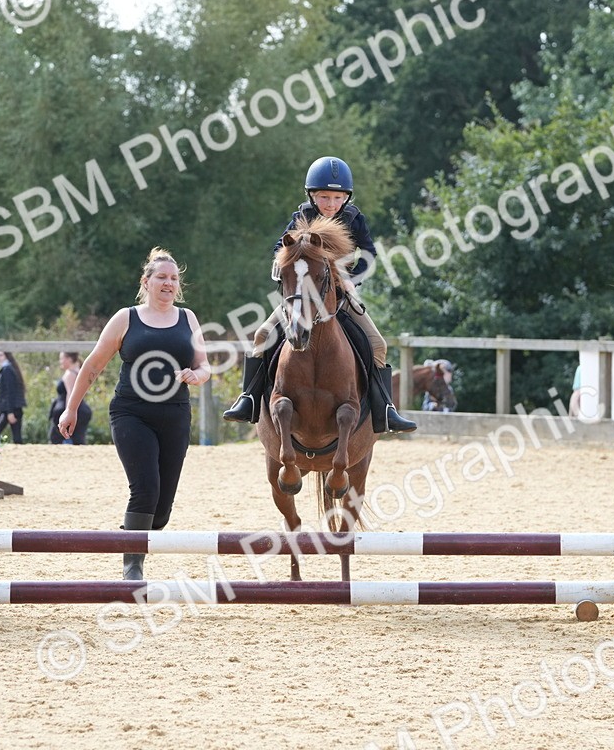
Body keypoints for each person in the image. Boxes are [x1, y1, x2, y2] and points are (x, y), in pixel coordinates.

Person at [222, 156, 417, 433]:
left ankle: (386, 410)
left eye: (337, 198)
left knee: (378, 344)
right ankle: (249, 400)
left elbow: (369, 254)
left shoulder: (354, 218)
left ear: (346, 198)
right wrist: (281, 267)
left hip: (339, 297)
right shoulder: (302, 216)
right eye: (324, 197)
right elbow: (281, 248)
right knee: (262, 336)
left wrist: (351, 278)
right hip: (301, 297)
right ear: (312, 196)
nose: (331, 204)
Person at [58, 247, 210, 581]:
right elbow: (93, 366)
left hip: (175, 415)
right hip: (131, 414)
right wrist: (71, 408)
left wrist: (196, 376)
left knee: (160, 512)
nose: (168, 283)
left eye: (173, 278)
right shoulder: (127, 318)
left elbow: (204, 366)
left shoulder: (189, 318)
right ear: (147, 281)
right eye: (161, 277)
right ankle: (132, 566)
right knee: (145, 489)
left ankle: (133, 529)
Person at [49, 351, 91, 444]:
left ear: (69, 359)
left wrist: (68, 412)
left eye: (62, 358)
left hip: (66, 410)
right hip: (82, 409)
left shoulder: (70, 374)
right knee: (78, 440)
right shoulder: (80, 372)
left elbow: (70, 394)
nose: (60, 361)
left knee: (55, 439)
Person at [0, 351, 26, 444]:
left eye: (1, 355)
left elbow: (10, 392)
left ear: (7, 356)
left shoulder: (7, 370)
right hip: (10, 409)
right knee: (17, 437)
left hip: (9, 410)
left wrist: (10, 412)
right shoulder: (7, 369)